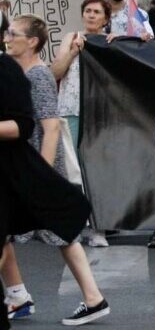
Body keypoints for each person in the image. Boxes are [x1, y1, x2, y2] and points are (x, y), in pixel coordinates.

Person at [2, 16, 110, 326]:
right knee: (7, 231)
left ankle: (93, 298)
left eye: (13, 33)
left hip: (38, 166)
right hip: (23, 166)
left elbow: (50, 128)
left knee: (61, 232)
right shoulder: (21, 72)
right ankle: (17, 294)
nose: (7, 38)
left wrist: (42, 175)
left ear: (32, 41)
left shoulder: (37, 76)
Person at [50, 0, 111, 248]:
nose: (92, 15)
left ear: (106, 18)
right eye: (88, 11)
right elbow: (55, 72)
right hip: (71, 110)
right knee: (71, 168)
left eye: (97, 12)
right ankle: (73, 225)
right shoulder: (70, 37)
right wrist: (74, 52)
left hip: (99, 114)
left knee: (98, 168)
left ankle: (99, 227)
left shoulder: (111, 41)